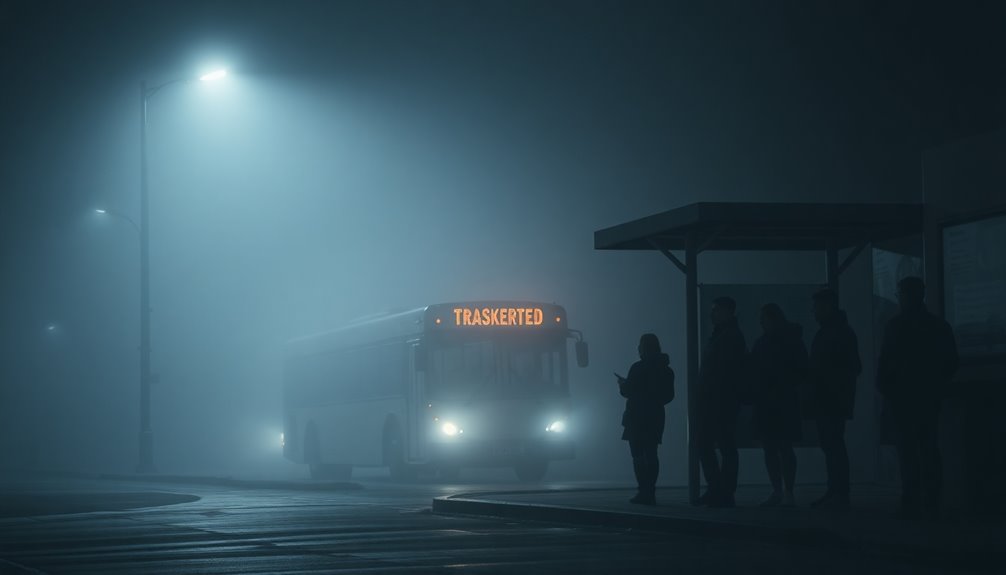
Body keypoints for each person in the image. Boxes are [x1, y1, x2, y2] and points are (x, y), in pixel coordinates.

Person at [876, 276, 958, 520]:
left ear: (907, 295)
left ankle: (911, 500)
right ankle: (931, 501)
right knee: (928, 448)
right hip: (926, 397)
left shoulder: (896, 326)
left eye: (900, 293)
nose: (899, 298)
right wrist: (934, 384)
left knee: (909, 451)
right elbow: (951, 363)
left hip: (903, 398)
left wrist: (887, 387)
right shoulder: (938, 326)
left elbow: (885, 362)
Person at [807, 288, 861, 511]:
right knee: (831, 445)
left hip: (831, 398)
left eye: (817, 307)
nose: (814, 311)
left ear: (827, 306)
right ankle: (836, 491)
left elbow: (852, 367)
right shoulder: (835, 331)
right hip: (829, 398)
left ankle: (839, 492)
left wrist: (828, 384)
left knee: (833, 445)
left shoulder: (837, 333)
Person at [750, 303, 807, 507]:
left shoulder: (765, 343)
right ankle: (783, 491)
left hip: (776, 402)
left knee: (778, 448)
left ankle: (782, 491)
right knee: (777, 448)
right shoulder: (788, 341)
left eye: (764, 318)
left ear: (773, 319)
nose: (761, 322)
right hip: (777, 401)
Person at [696, 296, 747, 507]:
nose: (712, 314)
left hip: (721, 401)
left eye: (716, 310)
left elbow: (726, 372)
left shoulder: (731, 337)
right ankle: (718, 489)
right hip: (714, 400)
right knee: (710, 445)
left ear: (728, 311)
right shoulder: (721, 335)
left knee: (723, 446)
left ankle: (722, 490)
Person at [616, 333, 675, 505]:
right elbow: (669, 396)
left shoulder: (638, 368)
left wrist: (623, 385)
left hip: (636, 416)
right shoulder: (666, 369)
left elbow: (628, 392)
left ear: (643, 348)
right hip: (656, 415)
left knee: (637, 454)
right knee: (651, 453)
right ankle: (651, 490)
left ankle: (643, 491)